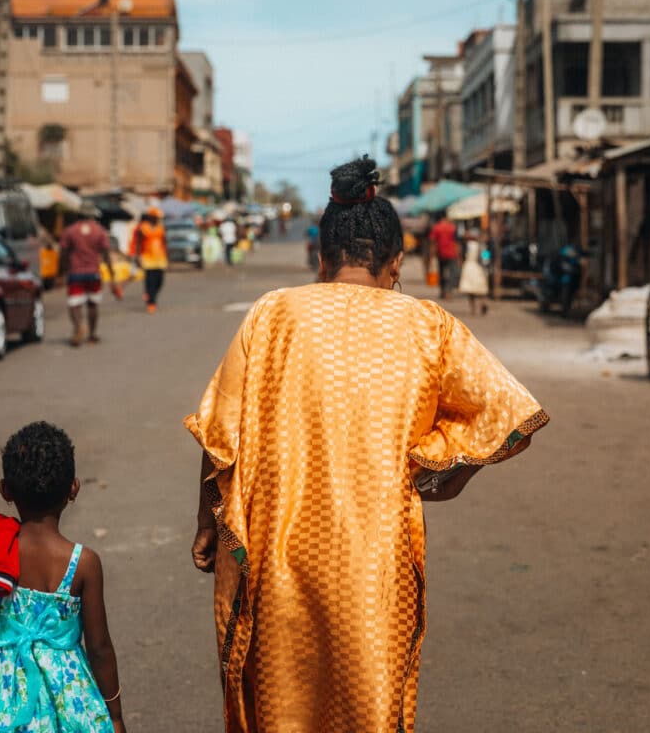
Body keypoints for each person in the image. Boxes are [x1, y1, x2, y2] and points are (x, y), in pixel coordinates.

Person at [185, 155, 548, 732]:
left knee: (283, 703)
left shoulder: (271, 315)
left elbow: (220, 433)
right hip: (379, 563)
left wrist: (207, 521)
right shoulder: (428, 326)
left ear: (322, 258)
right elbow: (508, 410)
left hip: (280, 557)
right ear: (396, 263)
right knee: (370, 705)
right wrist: (443, 472)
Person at [0, 422, 126, 733]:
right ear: (73, 488)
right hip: (69, 697)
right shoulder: (83, 563)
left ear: (5, 490)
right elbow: (99, 648)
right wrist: (114, 715)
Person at [61, 202, 119, 347]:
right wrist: (112, 274)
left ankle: (77, 328)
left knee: (75, 304)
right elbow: (106, 253)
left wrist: (61, 270)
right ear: (93, 215)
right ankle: (92, 335)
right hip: (94, 273)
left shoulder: (70, 231)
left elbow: (63, 253)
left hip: (75, 273)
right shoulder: (99, 231)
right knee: (93, 304)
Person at [133, 207, 169, 314]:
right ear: (152, 217)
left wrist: (168, 256)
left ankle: (151, 295)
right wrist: (137, 257)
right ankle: (151, 302)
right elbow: (139, 243)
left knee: (159, 281)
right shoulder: (143, 228)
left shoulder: (161, 228)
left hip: (160, 258)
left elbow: (164, 242)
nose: (158, 219)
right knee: (150, 280)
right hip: (147, 258)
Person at [458, 228, 490, 315]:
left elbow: (461, 255)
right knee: (481, 289)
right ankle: (483, 303)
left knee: (470, 290)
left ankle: (473, 309)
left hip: (468, 267)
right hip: (478, 268)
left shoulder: (467, 245)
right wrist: (486, 267)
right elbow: (486, 258)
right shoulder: (482, 246)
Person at [428, 213, 460, 300]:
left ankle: (442, 291)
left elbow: (433, 243)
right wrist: (458, 256)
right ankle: (448, 292)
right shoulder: (452, 227)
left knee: (441, 273)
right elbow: (456, 243)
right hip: (451, 253)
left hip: (440, 253)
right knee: (452, 273)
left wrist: (431, 256)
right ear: (445, 217)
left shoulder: (436, 228)